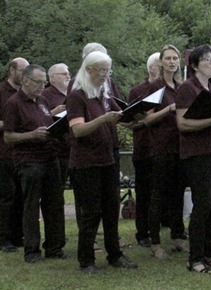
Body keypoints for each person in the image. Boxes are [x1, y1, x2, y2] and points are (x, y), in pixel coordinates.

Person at [67, 51, 137, 274]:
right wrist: (103, 119)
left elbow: (123, 118)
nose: (106, 75)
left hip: (108, 160)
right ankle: (86, 260)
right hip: (87, 163)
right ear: (89, 69)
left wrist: (137, 116)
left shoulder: (104, 95)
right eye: (102, 70)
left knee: (110, 208)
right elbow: (78, 130)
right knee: (91, 212)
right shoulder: (77, 96)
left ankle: (114, 253)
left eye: (108, 70)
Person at [175, 45, 211, 274]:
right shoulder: (187, 89)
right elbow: (182, 123)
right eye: (208, 59)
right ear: (196, 64)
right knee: (203, 205)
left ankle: (209, 253)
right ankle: (195, 258)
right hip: (198, 154)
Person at [3, 64, 66, 263]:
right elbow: (8, 137)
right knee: (31, 205)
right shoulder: (13, 103)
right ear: (26, 80)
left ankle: (55, 247)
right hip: (29, 161)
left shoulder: (43, 100)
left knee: (55, 204)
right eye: (38, 82)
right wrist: (32, 135)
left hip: (50, 157)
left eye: (44, 82)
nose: (42, 86)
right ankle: (32, 250)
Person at [143, 45, 188, 258]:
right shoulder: (155, 87)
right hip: (161, 147)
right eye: (168, 58)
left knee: (178, 194)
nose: (172, 62)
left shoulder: (181, 86)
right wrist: (169, 109)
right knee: (158, 196)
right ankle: (155, 243)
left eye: (175, 58)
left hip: (181, 147)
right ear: (161, 62)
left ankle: (177, 236)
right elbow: (147, 119)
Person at [127, 52, 161, 249]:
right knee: (145, 191)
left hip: (165, 147)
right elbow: (128, 121)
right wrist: (145, 121)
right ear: (150, 68)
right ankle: (143, 231)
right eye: (159, 65)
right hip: (144, 147)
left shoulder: (172, 89)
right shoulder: (137, 91)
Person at [0, 57, 28, 253]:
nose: (25, 75)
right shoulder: (1, 92)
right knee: (6, 195)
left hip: (23, 152)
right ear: (12, 70)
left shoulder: (26, 94)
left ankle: (18, 235)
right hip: (3, 152)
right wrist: (12, 123)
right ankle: (4, 238)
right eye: (22, 70)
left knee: (21, 195)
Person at [42, 63, 72, 205]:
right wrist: (54, 112)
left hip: (73, 148)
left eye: (68, 73)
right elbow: (38, 118)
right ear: (52, 78)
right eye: (64, 74)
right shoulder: (45, 95)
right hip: (56, 151)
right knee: (55, 192)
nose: (68, 76)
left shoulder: (73, 93)